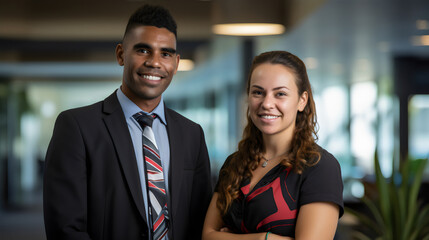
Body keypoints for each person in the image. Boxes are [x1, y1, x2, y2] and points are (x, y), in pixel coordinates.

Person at [43, 5, 212, 240]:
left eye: (165, 53)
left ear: (176, 62)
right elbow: (65, 230)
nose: (154, 62)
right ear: (121, 54)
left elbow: (202, 222)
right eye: (143, 50)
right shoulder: (77, 127)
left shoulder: (192, 134)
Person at [202, 51, 344, 240]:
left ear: (302, 100)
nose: (267, 103)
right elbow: (207, 235)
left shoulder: (320, 167)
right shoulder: (234, 163)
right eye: (258, 92)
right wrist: (264, 238)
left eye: (280, 94)